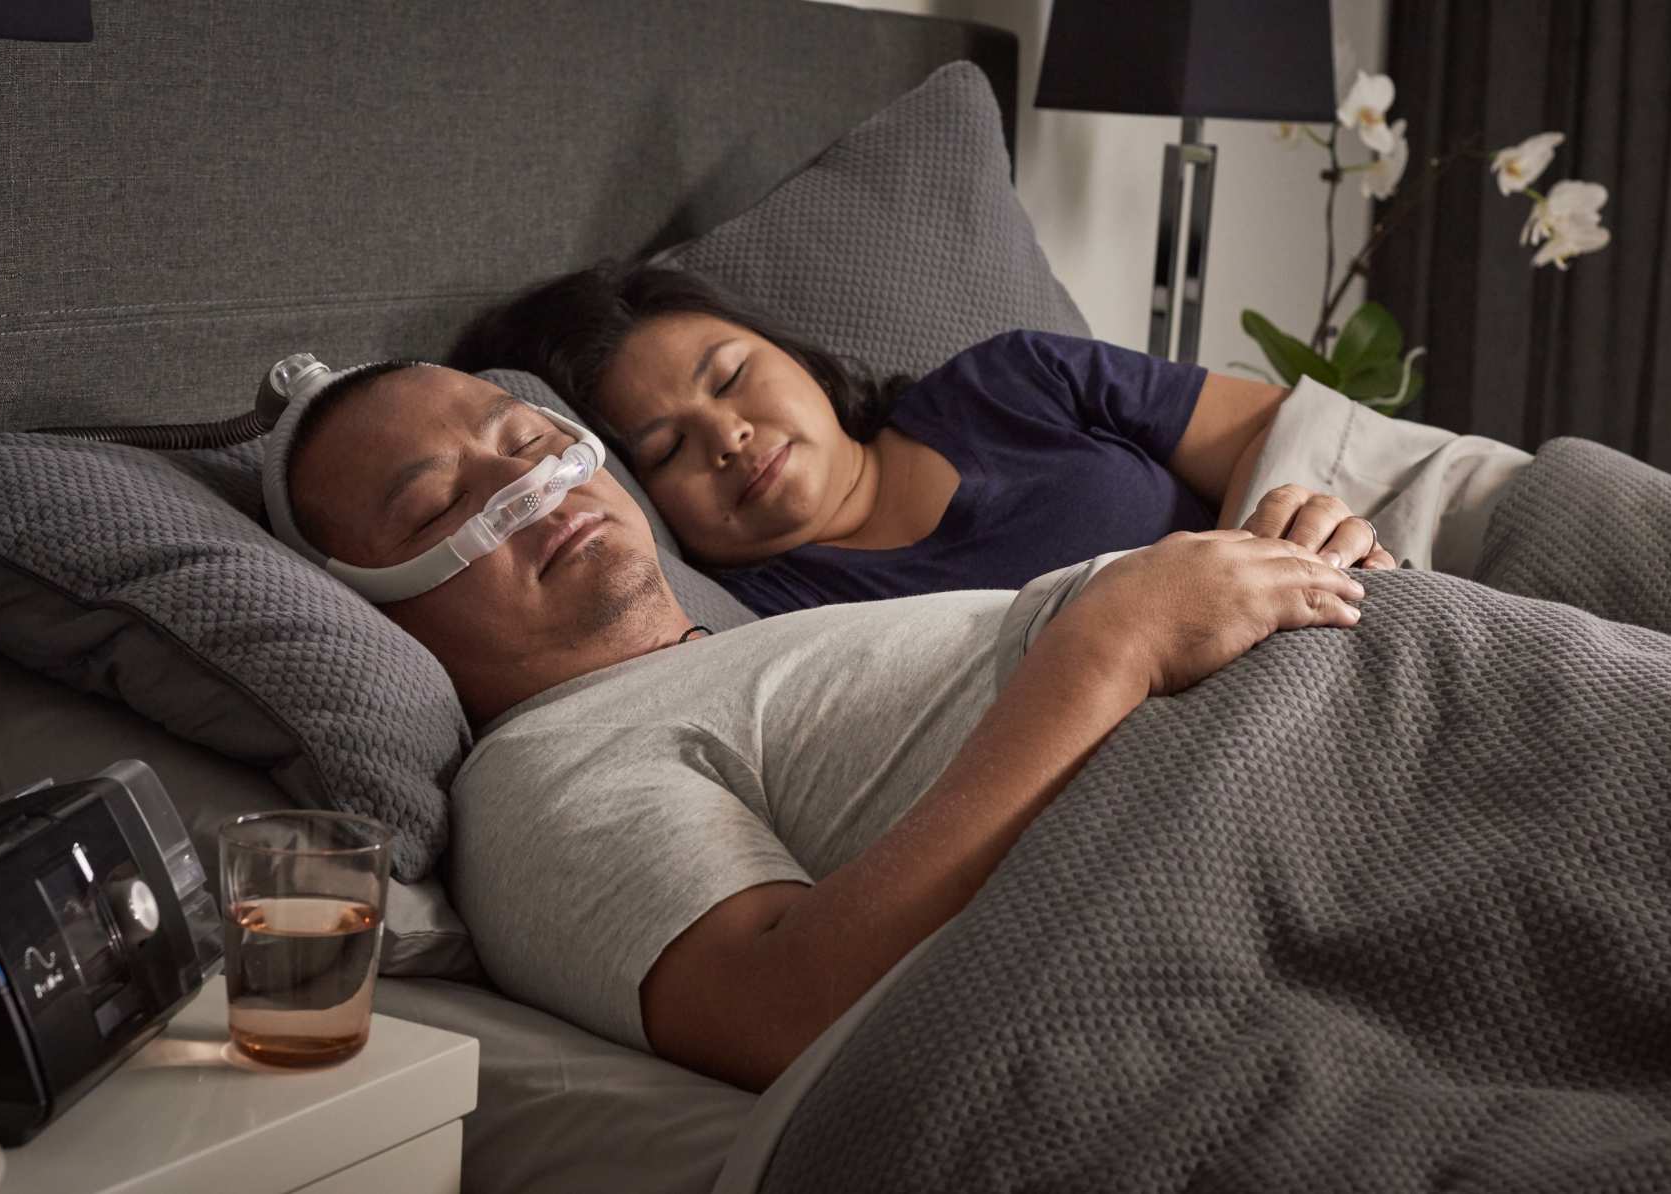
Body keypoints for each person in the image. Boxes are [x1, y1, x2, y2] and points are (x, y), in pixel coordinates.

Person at [266, 359, 1369, 1091]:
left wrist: (1285, 564)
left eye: (522, 437)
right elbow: (779, 1012)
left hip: (1363, 673)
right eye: (431, 507)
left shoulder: (765, 636)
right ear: (373, 604)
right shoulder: (548, 773)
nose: (524, 485)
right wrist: (1114, 644)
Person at [447, 261, 1531, 616]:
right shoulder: (765, 615)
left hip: (1382, 572)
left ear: (799, 362)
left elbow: (1282, 433)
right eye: (667, 450)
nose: (726, 436)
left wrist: (1302, 530)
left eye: (729, 377)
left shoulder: (1011, 379)